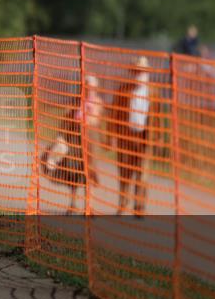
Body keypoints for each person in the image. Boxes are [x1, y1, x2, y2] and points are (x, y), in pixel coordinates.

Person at [38, 75, 103, 212]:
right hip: (74, 139)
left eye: (91, 87)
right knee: (73, 170)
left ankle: (89, 205)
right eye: (86, 87)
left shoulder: (96, 102)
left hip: (89, 141)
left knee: (89, 171)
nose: (88, 90)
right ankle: (73, 203)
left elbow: (96, 122)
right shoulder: (76, 101)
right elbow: (67, 119)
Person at [107, 56, 153, 217]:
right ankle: (123, 203)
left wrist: (158, 138)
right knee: (125, 172)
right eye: (136, 71)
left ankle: (139, 207)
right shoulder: (123, 90)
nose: (139, 74)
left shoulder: (153, 92)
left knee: (143, 174)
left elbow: (158, 117)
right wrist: (111, 136)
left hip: (144, 138)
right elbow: (113, 114)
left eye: (142, 72)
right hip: (125, 137)